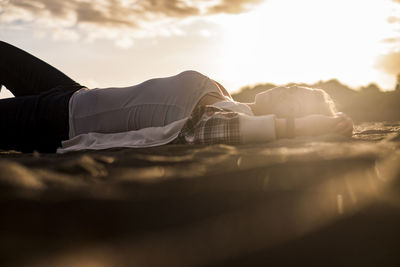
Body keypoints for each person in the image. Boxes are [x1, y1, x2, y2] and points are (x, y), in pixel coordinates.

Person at [0, 41, 353, 153]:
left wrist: (302, 127)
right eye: (295, 85)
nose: (288, 86)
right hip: (74, 94)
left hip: (57, 119)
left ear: (282, 116)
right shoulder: (227, 99)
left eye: (294, 96)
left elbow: (207, 132)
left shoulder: (231, 118)